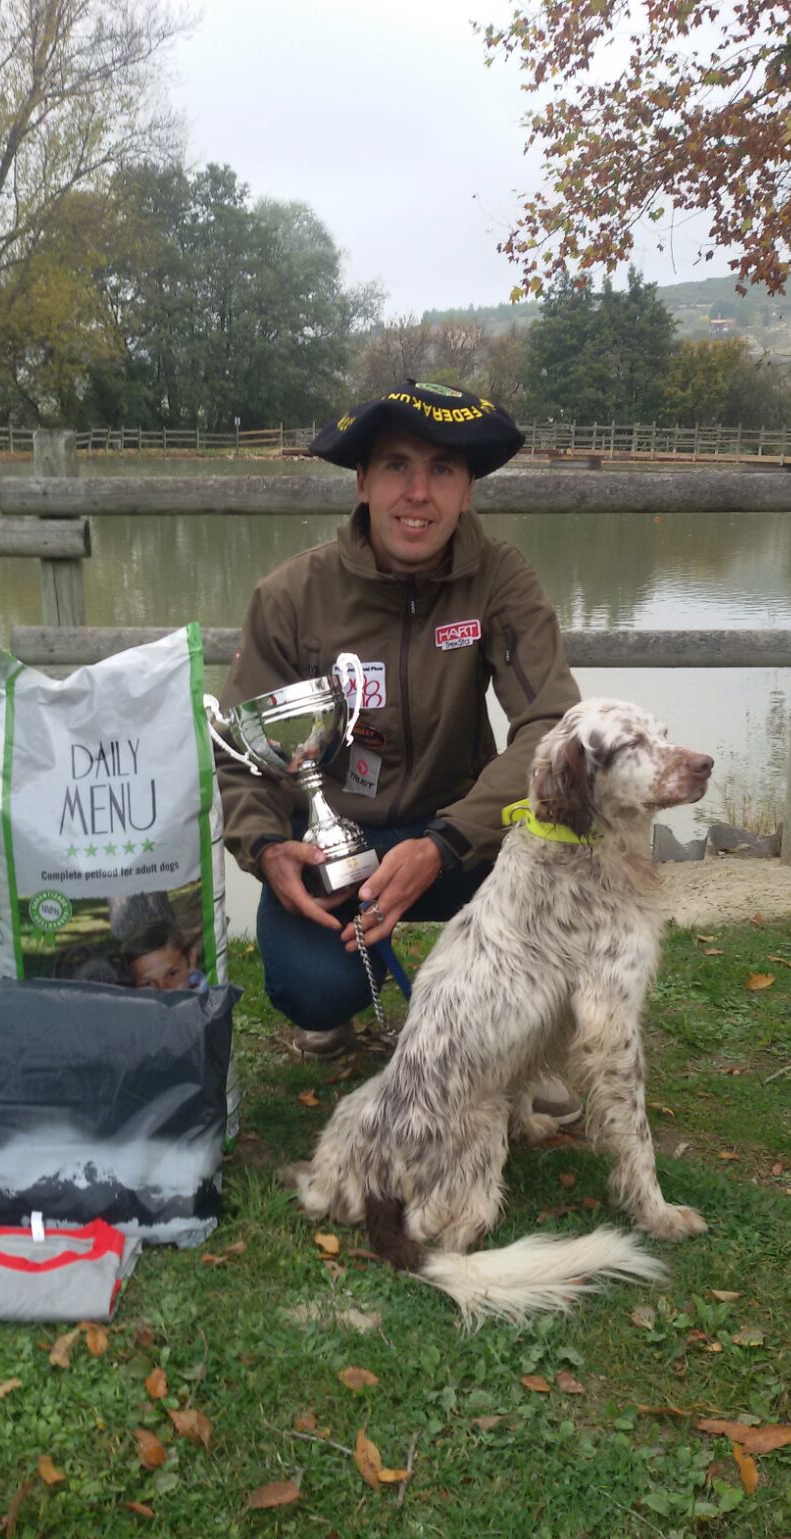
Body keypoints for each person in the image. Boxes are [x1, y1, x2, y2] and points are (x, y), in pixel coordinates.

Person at [216, 380, 582, 1119]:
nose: (418, 494)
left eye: (442, 470)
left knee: (562, 879)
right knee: (311, 987)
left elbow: (552, 725)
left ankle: (517, 1045)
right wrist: (264, 847)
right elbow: (243, 747)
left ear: (468, 491)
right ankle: (344, 1004)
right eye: (396, 467)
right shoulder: (290, 595)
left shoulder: (501, 580)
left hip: (460, 836)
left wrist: (448, 840)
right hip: (339, 845)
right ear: (361, 482)